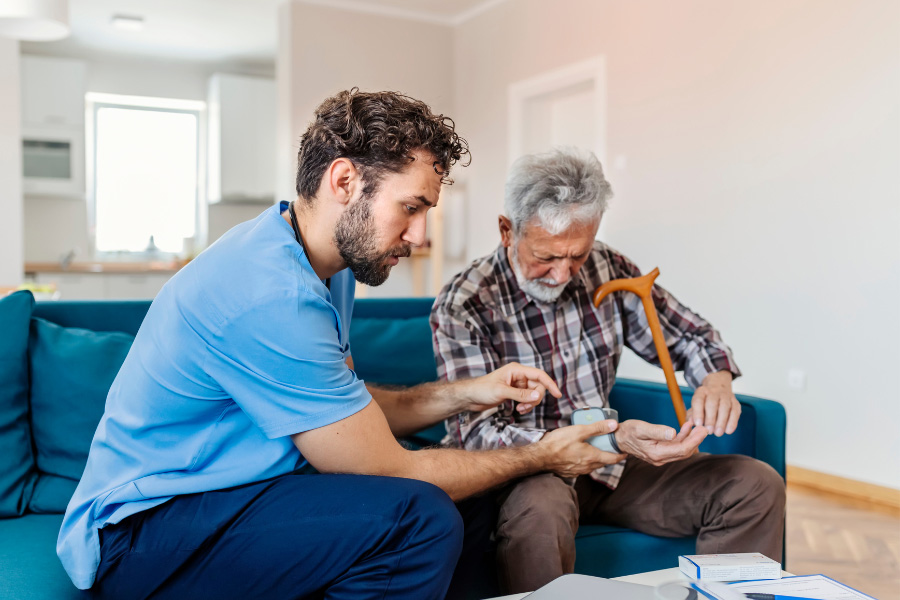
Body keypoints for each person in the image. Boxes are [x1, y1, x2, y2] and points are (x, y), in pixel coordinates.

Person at [57, 92, 624, 600]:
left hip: (238, 492)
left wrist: (469, 393)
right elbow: (389, 469)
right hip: (146, 532)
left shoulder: (328, 266)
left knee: (477, 505)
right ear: (345, 181)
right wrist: (542, 453)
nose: (421, 235)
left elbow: (345, 410)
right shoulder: (267, 291)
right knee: (420, 516)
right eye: (412, 207)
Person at [431, 147, 786, 594]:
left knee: (753, 485)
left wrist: (715, 379)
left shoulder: (608, 267)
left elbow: (691, 336)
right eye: (546, 256)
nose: (562, 274)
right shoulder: (465, 304)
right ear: (507, 230)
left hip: (613, 465)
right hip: (531, 471)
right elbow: (477, 435)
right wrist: (605, 438)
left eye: (576, 256)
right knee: (540, 512)